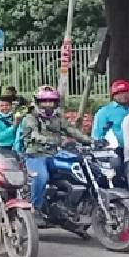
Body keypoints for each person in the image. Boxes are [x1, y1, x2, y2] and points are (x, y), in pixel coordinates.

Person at [21, 85, 95, 220]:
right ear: (37, 102)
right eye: (44, 101)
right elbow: (34, 135)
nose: (48, 105)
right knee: (41, 177)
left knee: (77, 169)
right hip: (36, 156)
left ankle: (70, 206)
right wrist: (55, 140)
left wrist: (90, 141)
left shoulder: (57, 118)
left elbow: (72, 130)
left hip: (54, 155)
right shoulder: (30, 118)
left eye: (51, 101)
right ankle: (34, 208)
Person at [92, 79, 129, 163]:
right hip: (114, 150)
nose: (123, 95)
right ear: (113, 96)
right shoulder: (104, 112)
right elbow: (97, 135)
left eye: (125, 92)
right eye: (119, 93)